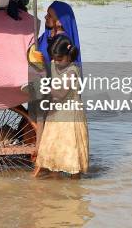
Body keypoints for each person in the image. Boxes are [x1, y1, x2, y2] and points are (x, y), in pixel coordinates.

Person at [34, 35, 89, 176]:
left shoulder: (72, 72)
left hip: (70, 117)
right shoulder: (53, 63)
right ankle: (55, 188)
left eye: (59, 59)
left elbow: (60, 94)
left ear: (69, 57)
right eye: (54, 58)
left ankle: (75, 188)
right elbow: (44, 72)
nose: (56, 62)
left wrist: (44, 86)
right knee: (54, 155)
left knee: (72, 155)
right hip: (56, 115)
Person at [38, 1, 81, 73]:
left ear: (60, 22)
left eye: (50, 15)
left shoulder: (64, 42)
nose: (45, 17)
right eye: (47, 14)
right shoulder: (47, 34)